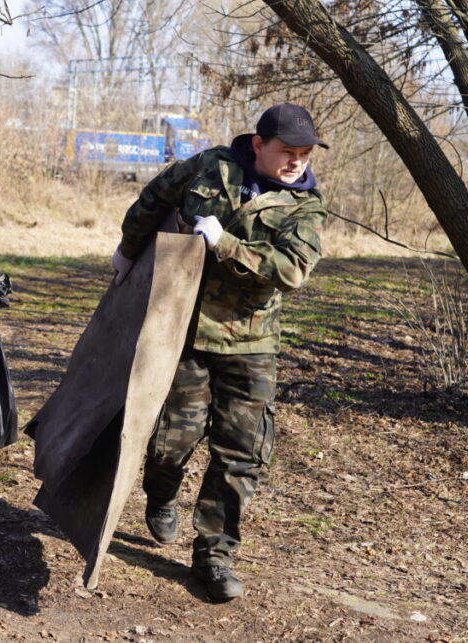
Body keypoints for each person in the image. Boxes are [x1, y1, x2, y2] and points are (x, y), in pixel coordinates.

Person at [111, 102, 328, 601]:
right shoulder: (211, 167)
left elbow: (291, 270)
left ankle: (213, 555)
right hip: (182, 329)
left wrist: (225, 243)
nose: (297, 161)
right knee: (170, 443)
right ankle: (160, 493)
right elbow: (156, 195)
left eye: (304, 153)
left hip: (249, 343)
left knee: (241, 455)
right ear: (258, 145)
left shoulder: (306, 206)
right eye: (286, 152)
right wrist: (128, 249)